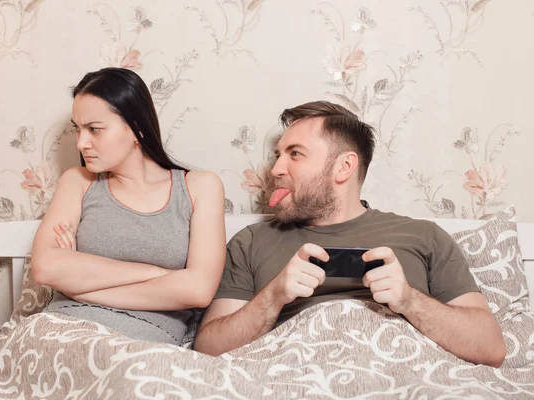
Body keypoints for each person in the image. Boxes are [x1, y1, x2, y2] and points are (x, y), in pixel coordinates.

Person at [194, 101, 506, 367]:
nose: (275, 169)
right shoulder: (251, 242)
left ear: (343, 167)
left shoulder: (424, 236)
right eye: (278, 155)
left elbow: (490, 348)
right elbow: (207, 349)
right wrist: (273, 296)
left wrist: (410, 301)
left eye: (295, 154)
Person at [31, 68, 226, 346]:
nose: (81, 143)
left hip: (143, 346)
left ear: (137, 128)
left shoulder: (200, 187)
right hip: (61, 331)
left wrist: (82, 287)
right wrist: (158, 274)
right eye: (78, 129)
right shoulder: (79, 181)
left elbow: (198, 290)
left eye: (94, 129)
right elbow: (46, 268)